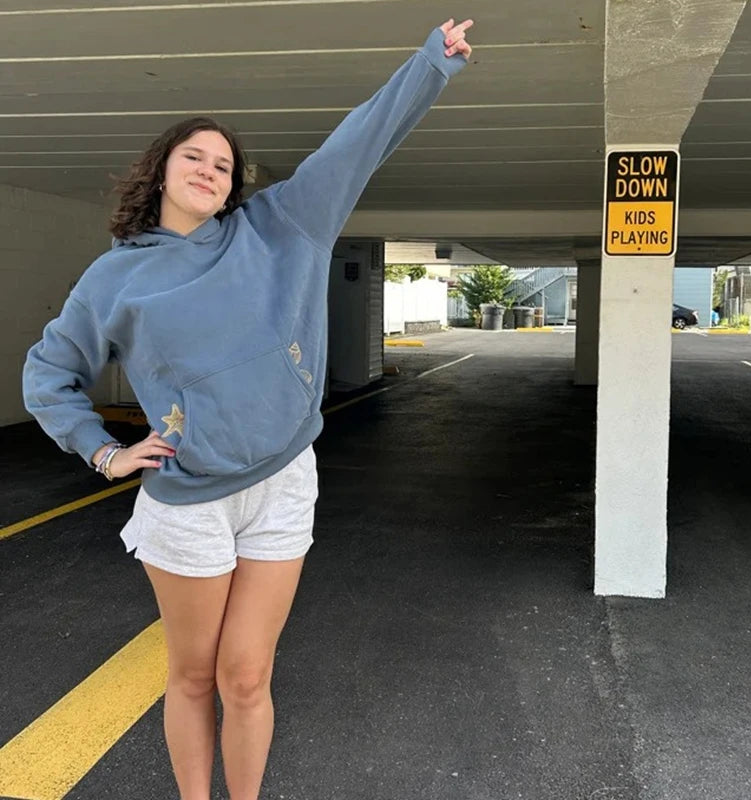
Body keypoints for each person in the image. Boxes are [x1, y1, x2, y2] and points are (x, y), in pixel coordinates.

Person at [21, 18, 473, 800]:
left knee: (247, 675)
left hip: (283, 482)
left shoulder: (280, 228)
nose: (209, 169)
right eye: (192, 156)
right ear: (160, 171)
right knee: (194, 676)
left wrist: (431, 63)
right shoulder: (113, 280)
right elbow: (48, 372)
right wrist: (104, 451)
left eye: (223, 164)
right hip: (190, 501)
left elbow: (356, 143)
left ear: (235, 186)